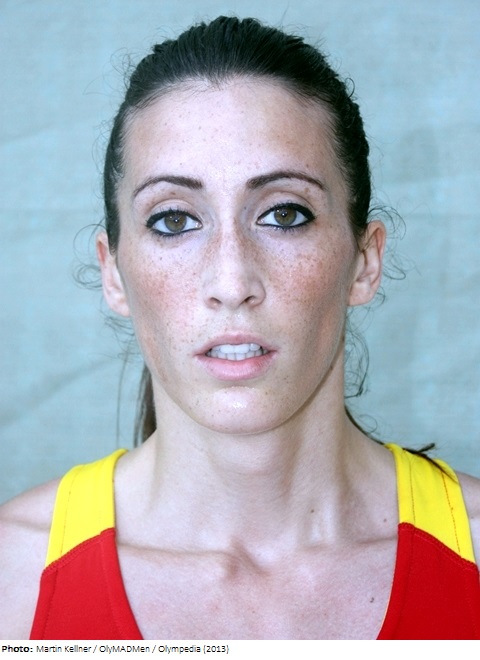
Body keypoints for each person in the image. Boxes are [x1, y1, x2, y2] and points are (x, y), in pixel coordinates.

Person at [0, 16, 479, 640]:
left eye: (284, 214)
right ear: (113, 272)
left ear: (365, 261)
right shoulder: (12, 577)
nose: (231, 281)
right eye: (174, 220)